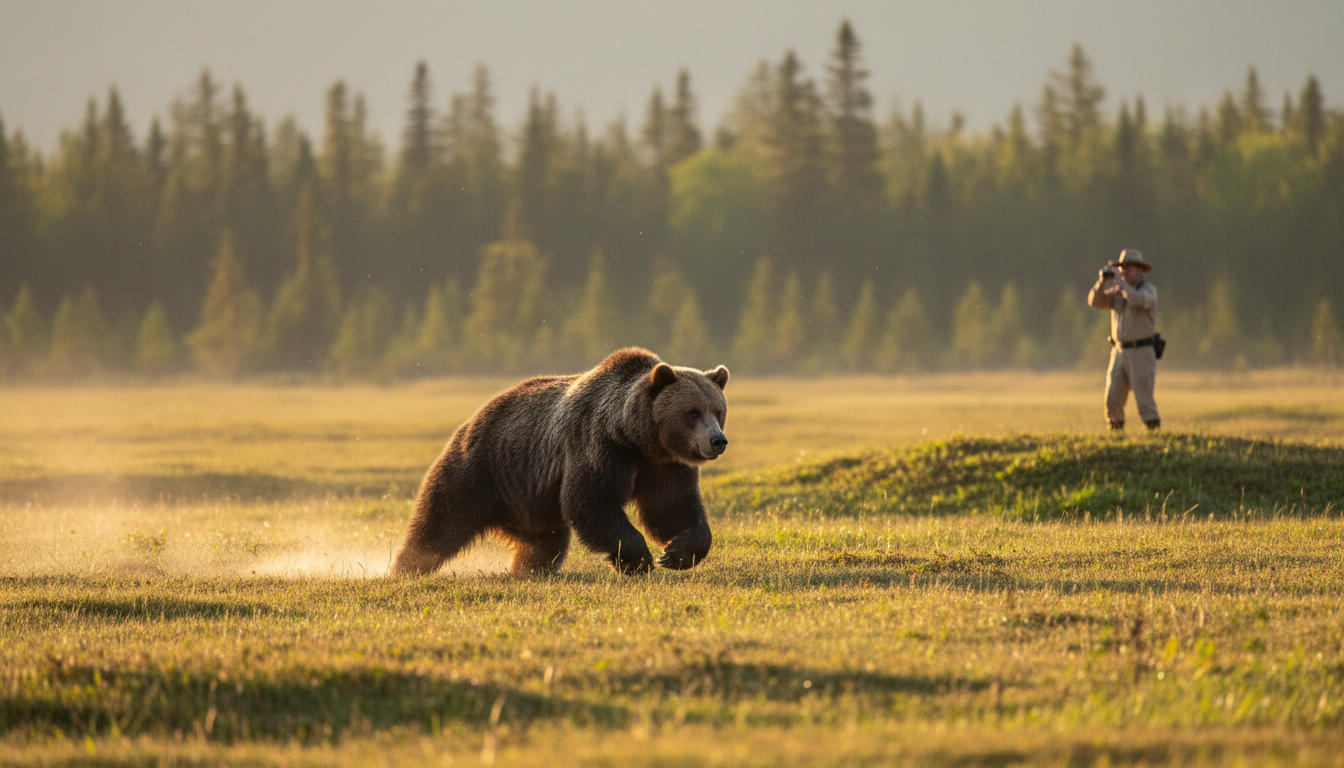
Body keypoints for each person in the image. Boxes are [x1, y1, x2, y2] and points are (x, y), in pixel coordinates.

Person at [1088, 249, 1160, 430]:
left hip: (1141, 351)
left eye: (1128, 267)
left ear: (1139, 270)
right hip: (1119, 351)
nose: (1124, 271)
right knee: (1113, 400)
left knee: (1144, 400)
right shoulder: (1117, 292)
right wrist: (1102, 282)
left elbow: (1138, 301)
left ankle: (1154, 438)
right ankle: (1116, 437)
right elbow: (1095, 302)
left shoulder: (1148, 291)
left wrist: (1121, 284)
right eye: (1122, 267)